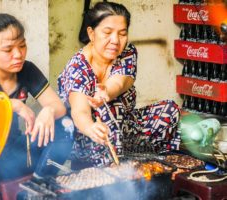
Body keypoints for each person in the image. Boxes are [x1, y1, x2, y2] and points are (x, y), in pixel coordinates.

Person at [0, 13, 74, 199]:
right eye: (8, 50)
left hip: (16, 153)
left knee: (66, 125)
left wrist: (49, 110)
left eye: (22, 46)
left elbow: (58, 106)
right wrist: (12, 104)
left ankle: (37, 187)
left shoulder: (26, 69)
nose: (18, 54)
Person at [58, 2, 180, 169]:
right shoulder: (77, 68)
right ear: (91, 33)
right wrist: (91, 127)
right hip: (90, 138)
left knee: (169, 110)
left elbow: (122, 81)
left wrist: (107, 92)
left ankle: (141, 162)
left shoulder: (127, 52)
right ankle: (112, 169)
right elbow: (79, 112)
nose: (115, 40)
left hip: (124, 129)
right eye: (107, 32)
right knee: (108, 109)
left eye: (122, 33)